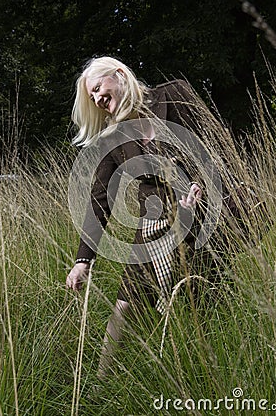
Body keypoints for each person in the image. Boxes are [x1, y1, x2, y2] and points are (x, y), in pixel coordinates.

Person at [66, 56, 207, 379]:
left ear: (118, 74)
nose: (99, 99)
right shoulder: (113, 137)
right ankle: (100, 386)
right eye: (93, 97)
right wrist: (82, 261)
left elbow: (212, 143)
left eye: (99, 88)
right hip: (153, 227)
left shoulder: (175, 94)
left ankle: (193, 376)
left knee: (197, 302)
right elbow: (100, 199)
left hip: (202, 218)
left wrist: (200, 180)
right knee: (125, 304)